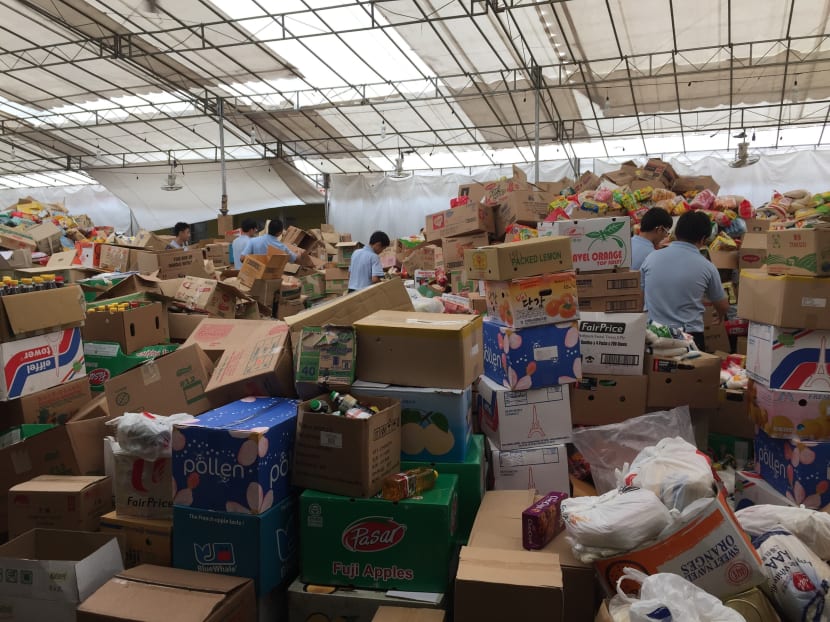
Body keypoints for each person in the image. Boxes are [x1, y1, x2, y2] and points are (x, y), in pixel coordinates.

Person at [640, 211, 728, 351]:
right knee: (689, 372)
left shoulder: (651, 258)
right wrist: (720, 314)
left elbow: (640, 294)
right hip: (688, 338)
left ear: (676, 232)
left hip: (652, 335)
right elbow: (722, 305)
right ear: (703, 238)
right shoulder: (707, 267)